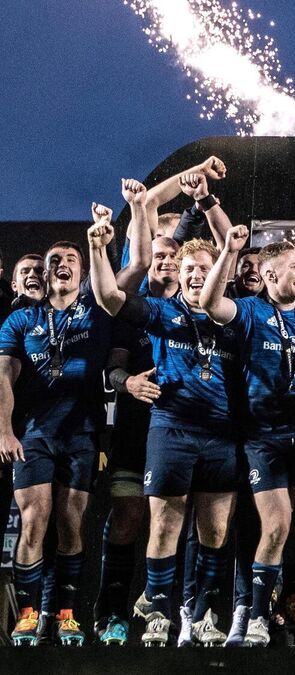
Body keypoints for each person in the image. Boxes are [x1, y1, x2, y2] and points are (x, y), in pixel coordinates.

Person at [199, 226, 295, 647]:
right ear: (270, 276)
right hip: (263, 437)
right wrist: (229, 251)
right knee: (277, 526)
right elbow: (211, 304)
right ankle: (256, 616)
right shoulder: (250, 310)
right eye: (294, 268)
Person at [90, 220, 242, 647]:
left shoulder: (236, 317)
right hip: (171, 430)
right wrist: (98, 249)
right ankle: (158, 611)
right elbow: (109, 298)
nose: (196, 275)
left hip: (222, 435)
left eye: (204, 268)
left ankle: (205, 614)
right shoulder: (162, 312)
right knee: (163, 527)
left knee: (215, 532)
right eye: (188, 268)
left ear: (219, 273)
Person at [0, 203, 128, 645]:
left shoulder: (97, 311)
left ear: (82, 271)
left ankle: (65, 614)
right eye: (54, 260)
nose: (62, 265)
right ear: (45, 270)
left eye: (71, 259)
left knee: (71, 525)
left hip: (82, 434)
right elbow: (4, 375)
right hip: (33, 434)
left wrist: (101, 240)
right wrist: (4, 430)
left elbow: (129, 273)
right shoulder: (21, 319)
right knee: (34, 520)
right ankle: (28, 615)